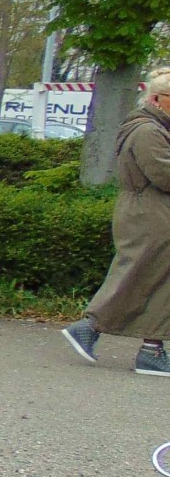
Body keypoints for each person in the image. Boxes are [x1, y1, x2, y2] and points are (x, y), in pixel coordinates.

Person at [63, 67, 170, 376]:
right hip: (148, 216)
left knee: (156, 281)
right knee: (138, 275)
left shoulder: (156, 128)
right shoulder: (147, 131)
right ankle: (89, 327)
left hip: (153, 213)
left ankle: (152, 349)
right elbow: (164, 174)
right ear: (155, 98)